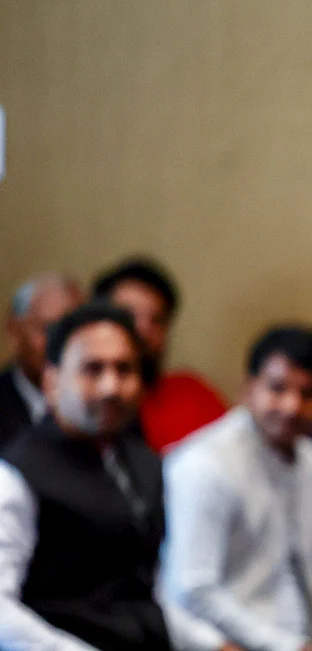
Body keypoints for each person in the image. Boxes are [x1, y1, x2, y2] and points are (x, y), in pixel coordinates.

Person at [0, 302, 234, 650]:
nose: (111, 386)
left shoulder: (141, 462)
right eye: (92, 369)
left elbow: (140, 601)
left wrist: (213, 644)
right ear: (52, 381)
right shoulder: (16, 474)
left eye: (124, 369)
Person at [160, 326, 312, 651]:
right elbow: (193, 591)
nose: (292, 406)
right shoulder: (205, 464)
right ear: (247, 388)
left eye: (308, 394)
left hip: (307, 640)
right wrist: (289, 646)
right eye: (277, 388)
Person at [93, 257, 226, 452]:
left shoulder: (191, 396)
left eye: (156, 321)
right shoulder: (77, 403)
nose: (143, 331)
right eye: (128, 315)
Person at [0, 274, 83, 445]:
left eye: (72, 330)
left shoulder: (105, 404)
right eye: (47, 329)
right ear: (14, 332)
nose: (60, 342)